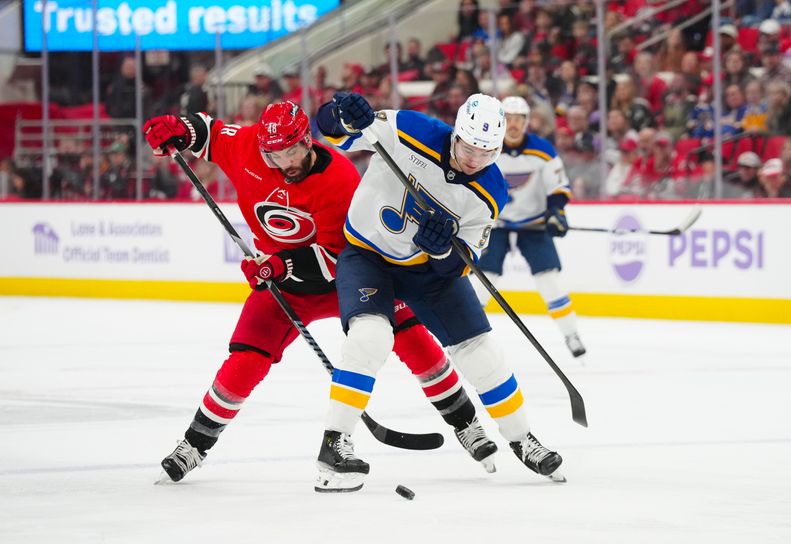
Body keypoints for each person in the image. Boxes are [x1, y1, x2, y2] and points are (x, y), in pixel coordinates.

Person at [142, 101, 498, 483]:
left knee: (413, 338)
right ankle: (194, 444)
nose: (285, 161)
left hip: (346, 278)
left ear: (307, 141)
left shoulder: (338, 177)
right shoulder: (247, 147)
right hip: (285, 286)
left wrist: (279, 265)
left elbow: (336, 256)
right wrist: (176, 127)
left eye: (293, 150)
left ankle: (467, 423)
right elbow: (209, 133)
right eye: (274, 154)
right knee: (247, 356)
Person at [313, 92, 564, 493]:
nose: (473, 159)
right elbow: (331, 135)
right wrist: (341, 114)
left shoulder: (492, 189)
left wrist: (444, 249)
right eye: (467, 147)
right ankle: (334, 443)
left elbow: (463, 262)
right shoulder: (410, 128)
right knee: (369, 337)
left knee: (482, 352)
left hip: (426, 273)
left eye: (486, 153)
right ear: (456, 133)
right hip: (367, 255)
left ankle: (522, 438)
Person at [468, 95, 586, 357]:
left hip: (533, 223)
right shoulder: (487, 147)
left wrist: (557, 212)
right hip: (495, 224)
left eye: (519, 119)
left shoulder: (542, 150)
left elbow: (557, 187)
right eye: (508, 119)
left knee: (549, 279)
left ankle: (571, 334)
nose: (513, 125)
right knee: (484, 280)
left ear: (527, 122)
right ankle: (466, 337)